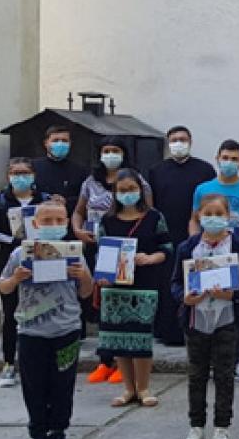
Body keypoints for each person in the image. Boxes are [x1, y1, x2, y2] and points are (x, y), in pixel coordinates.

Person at [0, 200, 93, 439]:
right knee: (34, 385)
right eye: (47, 221)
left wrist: (82, 276)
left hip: (66, 329)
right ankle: (38, 434)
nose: (53, 225)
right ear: (36, 224)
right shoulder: (20, 253)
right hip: (31, 331)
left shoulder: (74, 253)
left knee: (63, 384)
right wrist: (16, 278)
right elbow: (3, 286)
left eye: (59, 220)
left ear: (66, 223)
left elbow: (86, 292)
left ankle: (58, 431)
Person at [173, 193, 239, 439]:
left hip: (227, 320)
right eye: (208, 214)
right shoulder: (188, 247)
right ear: (198, 216)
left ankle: (222, 427)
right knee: (196, 375)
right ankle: (196, 426)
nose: (213, 219)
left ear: (228, 216)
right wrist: (185, 297)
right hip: (196, 320)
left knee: (224, 375)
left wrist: (234, 294)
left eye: (219, 214)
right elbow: (175, 282)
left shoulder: (237, 246)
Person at [73, 136, 154, 384]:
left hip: (130, 253)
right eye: (106, 150)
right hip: (99, 251)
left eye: (115, 150)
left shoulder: (138, 181)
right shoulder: (90, 182)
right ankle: (105, 360)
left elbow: (148, 214)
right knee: (104, 306)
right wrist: (78, 230)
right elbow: (78, 211)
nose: (110, 155)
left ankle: (124, 361)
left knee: (127, 307)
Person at [193, 139, 239, 383]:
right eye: (225, 158)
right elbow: (193, 219)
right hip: (208, 255)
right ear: (217, 158)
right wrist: (195, 243)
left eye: (234, 159)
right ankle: (210, 361)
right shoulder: (203, 189)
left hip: (237, 254)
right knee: (207, 305)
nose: (229, 162)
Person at [97, 169, 173, 409]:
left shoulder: (154, 217)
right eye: (122, 190)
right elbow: (101, 252)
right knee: (119, 339)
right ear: (115, 192)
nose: (127, 194)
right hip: (115, 287)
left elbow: (167, 248)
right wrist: (103, 276)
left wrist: (150, 258)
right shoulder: (107, 220)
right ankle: (128, 389)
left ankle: (144, 387)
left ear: (140, 190)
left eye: (131, 189)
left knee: (141, 338)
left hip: (145, 284)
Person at [146, 125, 215, 346]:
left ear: (190, 142)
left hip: (196, 234)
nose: (178, 143)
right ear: (168, 143)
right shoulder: (156, 171)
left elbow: (212, 203)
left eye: (182, 139)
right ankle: (168, 331)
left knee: (196, 282)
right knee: (168, 284)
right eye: (174, 139)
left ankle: (197, 329)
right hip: (165, 236)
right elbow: (151, 205)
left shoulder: (205, 170)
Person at [0, 157, 58, 388]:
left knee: (44, 308)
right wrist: (12, 241)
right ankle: (9, 362)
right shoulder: (0, 200)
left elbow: (58, 224)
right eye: (16, 173)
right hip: (10, 261)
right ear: (8, 175)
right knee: (11, 312)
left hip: (42, 258)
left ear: (33, 175)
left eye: (25, 173)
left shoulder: (45, 199)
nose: (20, 177)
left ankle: (40, 363)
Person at [31, 125, 83, 215]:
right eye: (55, 140)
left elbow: (84, 198)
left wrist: (66, 201)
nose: (60, 144)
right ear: (46, 143)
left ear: (70, 143)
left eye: (64, 141)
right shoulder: (33, 167)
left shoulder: (79, 170)